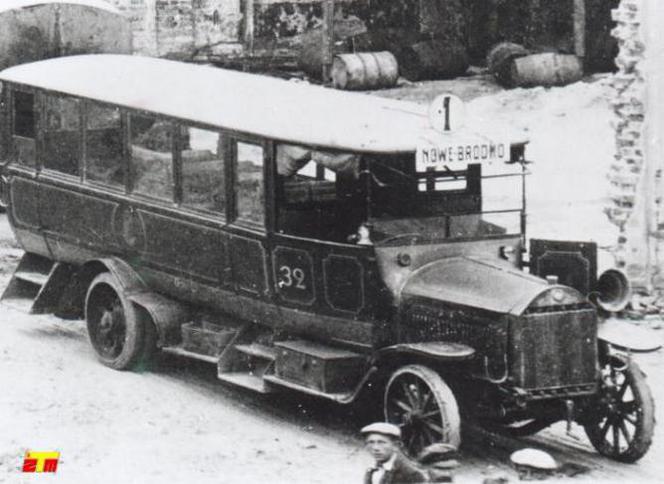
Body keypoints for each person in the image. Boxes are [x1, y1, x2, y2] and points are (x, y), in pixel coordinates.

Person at [361, 422, 429, 484]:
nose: (375, 448)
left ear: (396, 446)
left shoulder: (412, 474)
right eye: (371, 442)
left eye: (381, 442)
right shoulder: (373, 468)